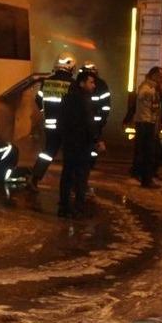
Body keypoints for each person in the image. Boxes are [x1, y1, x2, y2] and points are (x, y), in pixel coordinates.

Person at [57, 70, 102, 217]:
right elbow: (89, 123)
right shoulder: (85, 100)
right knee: (81, 176)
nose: (94, 85)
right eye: (91, 82)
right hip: (82, 143)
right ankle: (79, 208)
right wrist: (96, 140)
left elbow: (61, 121)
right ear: (82, 83)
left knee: (67, 174)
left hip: (69, 142)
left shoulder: (67, 97)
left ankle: (64, 206)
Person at [28, 52, 75, 191]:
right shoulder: (72, 84)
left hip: (49, 124)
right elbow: (74, 106)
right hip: (66, 125)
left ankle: (34, 178)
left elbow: (38, 99)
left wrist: (45, 112)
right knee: (70, 155)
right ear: (71, 67)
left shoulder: (47, 81)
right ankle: (71, 186)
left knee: (48, 153)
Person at [133, 66, 162, 188]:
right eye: (160, 76)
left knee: (150, 152)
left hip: (150, 122)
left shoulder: (153, 87)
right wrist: (153, 90)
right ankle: (145, 179)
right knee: (148, 152)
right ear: (154, 75)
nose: (161, 79)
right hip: (145, 122)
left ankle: (146, 177)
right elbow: (141, 95)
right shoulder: (147, 86)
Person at [80, 61, 111, 166]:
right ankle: (90, 163)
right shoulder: (102, 84)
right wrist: (103, 119)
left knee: (87, 142)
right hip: (95, 122)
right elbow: (106, 105)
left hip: (87, 122)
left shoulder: (80, 84)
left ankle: (87, 162)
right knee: (93, 142)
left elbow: (106, 105)